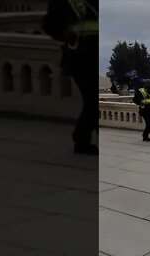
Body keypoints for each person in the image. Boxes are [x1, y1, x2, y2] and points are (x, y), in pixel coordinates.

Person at [41, 0, 98, 155]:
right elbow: (48, 25)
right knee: (93, 100)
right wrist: (65, 34)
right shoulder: (62, 3)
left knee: (94, 101)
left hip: (92, 55)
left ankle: (83, 139)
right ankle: (81, 139)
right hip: (79, 56)